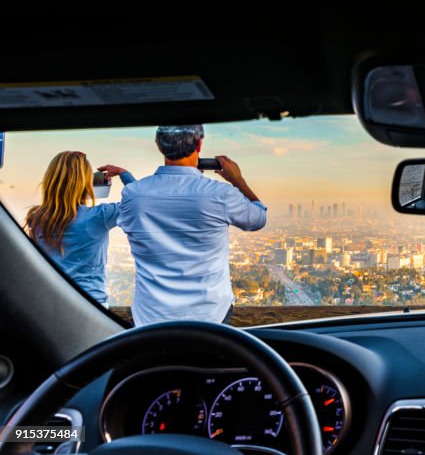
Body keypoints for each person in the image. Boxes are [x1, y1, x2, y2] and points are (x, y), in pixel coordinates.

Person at [119, 124, 267, 326]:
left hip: (150, 315)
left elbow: (146, 199)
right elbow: (258, 219)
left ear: (159, 145)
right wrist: (238, 180)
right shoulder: (220, 194)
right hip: (210, 314)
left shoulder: (133, 194)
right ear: (198, 145)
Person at [24, 151, 135, 306]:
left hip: (47, 301)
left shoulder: (36, 218)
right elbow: (141, 202)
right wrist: (124, 173)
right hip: (90, 303)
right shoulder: (100, 216)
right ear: (85, 184)